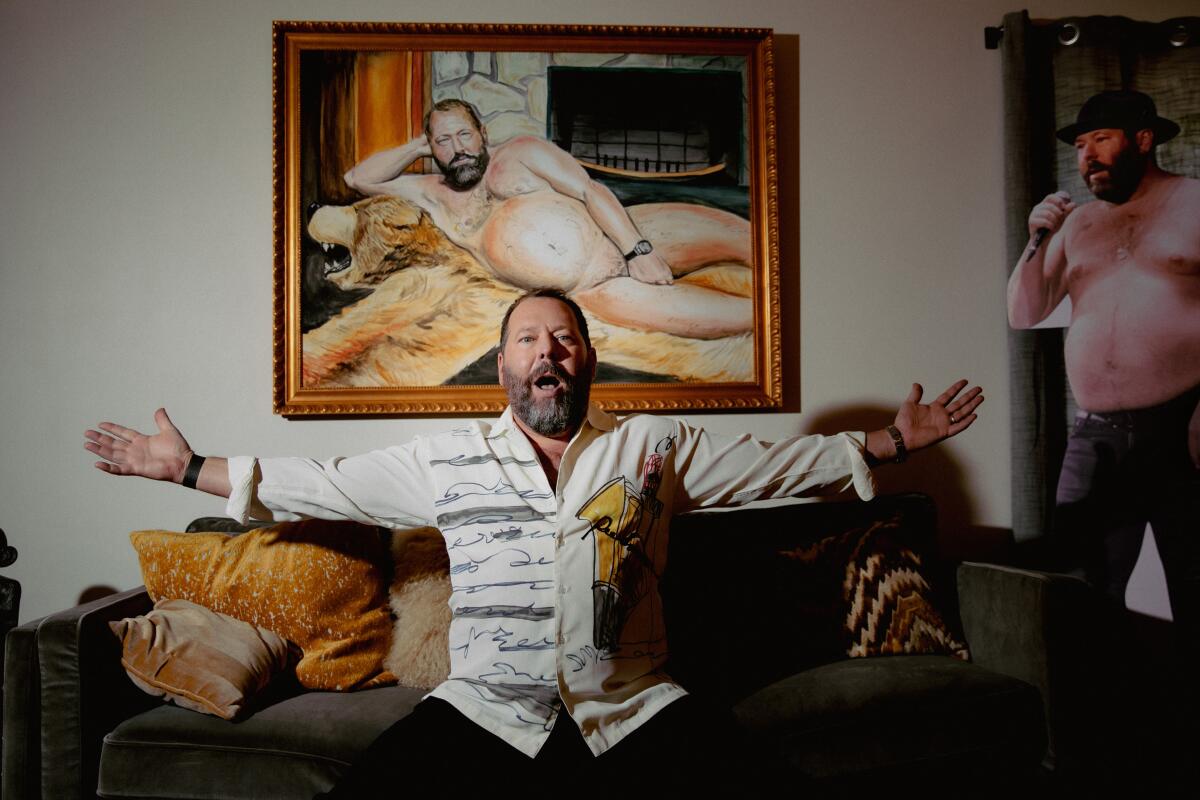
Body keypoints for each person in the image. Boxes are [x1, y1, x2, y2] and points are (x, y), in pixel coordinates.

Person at [86, 289, 983, 795]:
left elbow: (779, 467)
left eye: (564, 337)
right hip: (484, 715)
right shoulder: (444, 460)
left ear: (589, 361)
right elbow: (317, 482)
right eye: (527, 340)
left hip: (634, 709)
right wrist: (186, 467)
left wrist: (892, 443)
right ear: (504, 366)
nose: (547, 351)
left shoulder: (654, 450)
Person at [1006, 90, 1200, 641]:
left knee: (1193, 581)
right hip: (1096, 438)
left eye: (1102, 139)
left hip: (1181, 432)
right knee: (1083, 590)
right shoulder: (1080, 224)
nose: (1087, 154)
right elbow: (1024, 313)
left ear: (1143, 140)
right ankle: (1102, 721)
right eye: (1081, 144)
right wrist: (1036, 240)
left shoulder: (1195, 204)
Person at [336, 98, 754, 339]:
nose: (457, 148)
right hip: (594, 288)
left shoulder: (519, 151)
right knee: (750, 320)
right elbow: (357, 177)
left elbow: (591, 189)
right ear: (431, 146)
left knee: (753, 242)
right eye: (443, 141)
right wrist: (418, 145)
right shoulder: (433, 193)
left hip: (632, 229)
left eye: (464, 135)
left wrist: (638, 249)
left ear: (483, 131)